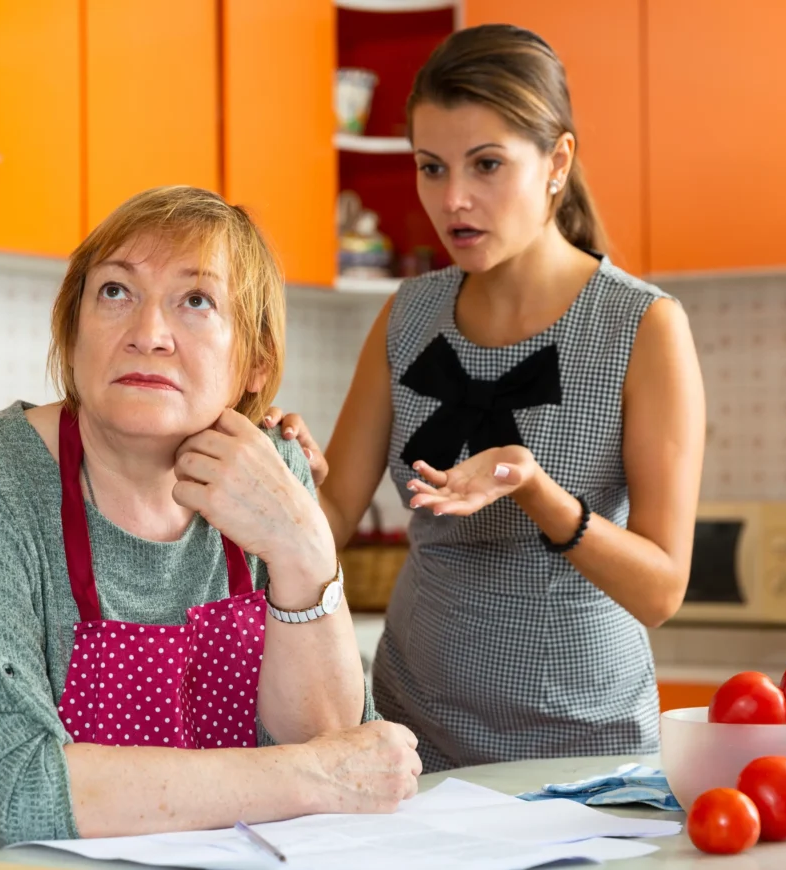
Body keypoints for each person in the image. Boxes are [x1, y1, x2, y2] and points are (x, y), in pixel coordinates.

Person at [0, 186, 421, 855]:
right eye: (116, 292)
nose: (148, 334)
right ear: (72, 331)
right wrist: (313, 775)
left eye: (196, 300)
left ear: (255, 360)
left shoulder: (269, 473)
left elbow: (335, 756)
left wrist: (304, 545)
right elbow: (11, 792)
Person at [268, 24, 706, 771]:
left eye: (488, 164)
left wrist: (534, 490)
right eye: (431, 167)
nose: (454, 199)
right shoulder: (407, 313)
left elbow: (661, 590)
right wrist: (286, 471)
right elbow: (333, 513)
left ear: (557, 162)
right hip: (416, 733)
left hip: (587, 748)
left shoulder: (643, 327)